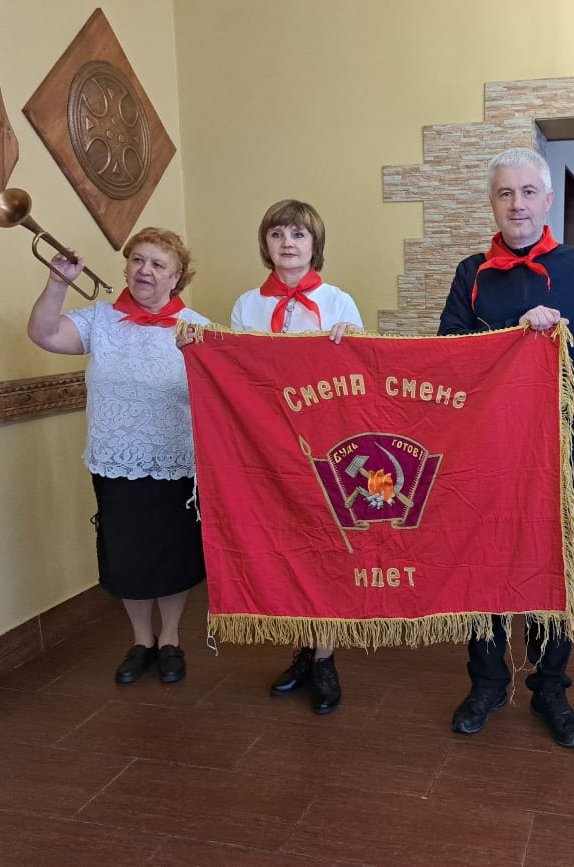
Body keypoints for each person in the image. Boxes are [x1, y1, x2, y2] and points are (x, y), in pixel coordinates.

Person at [437, 147, 574, 748]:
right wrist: (513, 338)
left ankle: (550, 687)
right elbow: (447, 360)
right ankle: (486, 681)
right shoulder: (471, 273)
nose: (517, 204)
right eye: (505, 194)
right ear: (493, 202)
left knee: (549, 567)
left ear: (546, 200)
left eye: (528, 192)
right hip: (483, 451)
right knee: (483, 564)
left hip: (558, 449)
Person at [27, 228, 210, 685]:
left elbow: (223, 392)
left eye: (158, 264)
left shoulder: (198, 327)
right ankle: (140, 641)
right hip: (115, 461)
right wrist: (57, 282)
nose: (145, 271)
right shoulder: (100, 320)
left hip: (174, 463)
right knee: (127, 556)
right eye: (138, 261)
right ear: (126, 266)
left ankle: (170, 638)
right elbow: (45, 333)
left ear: (177, 277)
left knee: (171, 556)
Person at [232, 199, 362, 715]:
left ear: (315, 245)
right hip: (269, 446)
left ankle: (326, 655)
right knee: (285, 548)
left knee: (326, 548)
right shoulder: (247, 305)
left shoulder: (338, 300)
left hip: (327, 445)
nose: (288, 242)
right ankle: (303, 649)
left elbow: (359, 375)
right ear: (266, 244)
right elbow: (237, 374)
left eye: (299, 235)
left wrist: (352, 342)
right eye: (278, 233)